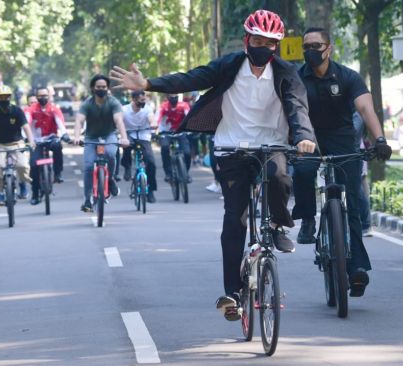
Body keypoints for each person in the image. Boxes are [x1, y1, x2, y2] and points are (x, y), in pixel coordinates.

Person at [110, 9, 317, 320]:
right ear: (247, 40)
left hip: (270, 144)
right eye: (258, 40)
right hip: (230, 147)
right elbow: (192, 77)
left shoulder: (287, 72)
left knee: (279, 177)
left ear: (277, 45)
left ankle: (276, 226)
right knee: (235, 218)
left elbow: (298, 108)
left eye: (271, 42)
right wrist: (149, 83)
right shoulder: (230, 65)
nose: (264, 47)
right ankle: (232, 293)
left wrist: (302, 137)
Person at [292, 27, 392, 297]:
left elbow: (365, 108)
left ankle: (357, 268)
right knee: (302, 171)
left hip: (342, 139)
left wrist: (379, 139)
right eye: (306, 46)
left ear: (329, 47)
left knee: (354, 203)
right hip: (307, 137)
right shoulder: (296, 78)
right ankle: (308, 220)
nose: (311, 50)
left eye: (316, 45)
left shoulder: (347, 76)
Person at [73, 75, 130, 212]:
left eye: (104, 87)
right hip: (91, 137)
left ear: (107, 88)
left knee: (111, 154)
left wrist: (124, 138)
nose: (101, 89)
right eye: (98, 87)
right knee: (88, 167)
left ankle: (110, 180)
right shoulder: (87, 103)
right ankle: (87, 200)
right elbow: (79, 120)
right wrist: (76, 136)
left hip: (109, 135)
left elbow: (119, 120)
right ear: (93, 88)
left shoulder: (113, 102)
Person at [0, 85, 34, 205]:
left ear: (10, 97)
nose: (3, 99)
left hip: (17, 143)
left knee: (22, 166)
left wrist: (31, 142)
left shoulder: (17, 111)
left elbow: (26, 128)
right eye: (0, 97)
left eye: (5, 97)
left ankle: (22, 183)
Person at [28, 86, 69, 205]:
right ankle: (35, 193)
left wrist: (64, 134)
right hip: (36, 141)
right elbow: (26, 122)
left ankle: (57, 173)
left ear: (49, 96)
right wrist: (25, 136)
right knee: (33, 165)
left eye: (45, 95)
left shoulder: (54, 109)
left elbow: (60, 123)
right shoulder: (31, 109)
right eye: (40, 96)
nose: (43, 98)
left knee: (58, 146)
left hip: (51, 138)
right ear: (36, 97)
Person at [121, 90, 158, 203]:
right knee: (126, 146)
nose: (143, 102)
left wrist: (153, 124)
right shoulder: (124, 109)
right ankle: (127, 167)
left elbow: (151, 119)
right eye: (141, 100)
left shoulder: (147, 108)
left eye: (144, 99)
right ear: (134, 99)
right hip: (129, 133)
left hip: (143, 134)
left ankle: (150, 190)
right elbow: (119, 121)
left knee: (151, 162)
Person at [158, 94, 192, 182]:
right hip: (166, 132)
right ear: (168, 98)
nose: (174, 99)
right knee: (165, 147)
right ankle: (168, 173)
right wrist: (154, 129)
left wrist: (192, 127)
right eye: (171, 97)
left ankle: (185, 173)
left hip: (180, 132)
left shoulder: (184, 105)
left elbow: (190, 116)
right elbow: (157, 118)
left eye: (175, 97)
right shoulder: (163, 106)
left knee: (187, 153)